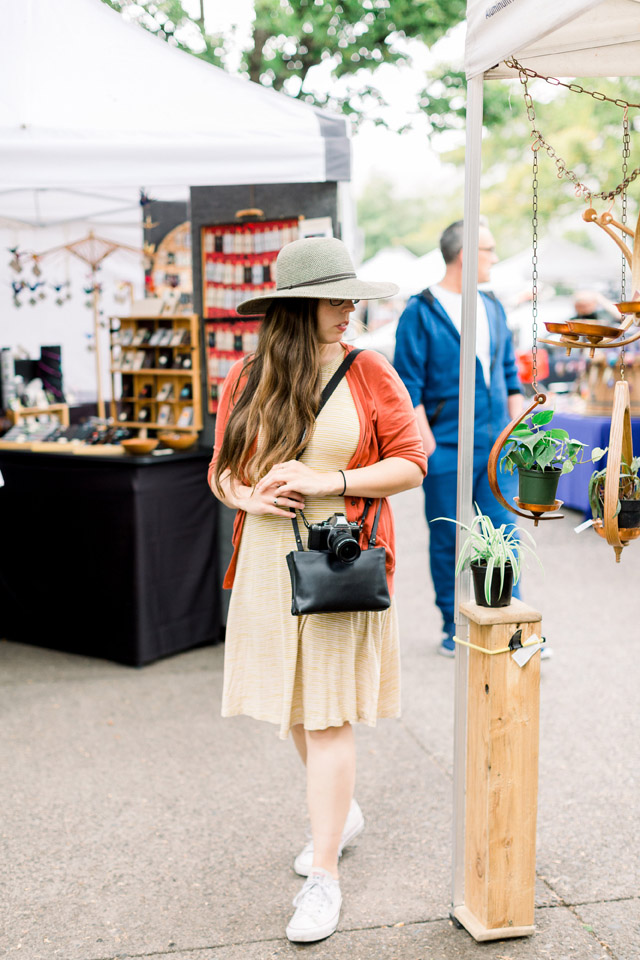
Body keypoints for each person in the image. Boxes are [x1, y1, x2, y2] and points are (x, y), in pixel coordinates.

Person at [208, 237, 427, 944]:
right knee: (296, 711)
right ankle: (345, 813)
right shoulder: (245, 378)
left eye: (352, 297)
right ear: (299, 308)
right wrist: (247, 496)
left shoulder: (369, 370)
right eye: (338, 299)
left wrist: (326, 481)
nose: (350, 309)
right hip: (269, 562)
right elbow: (220, 471)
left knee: (328, 716)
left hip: (339, 562)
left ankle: (324, 877)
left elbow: (412, 462)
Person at [394, 219, 523, 657]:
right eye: (489, 250)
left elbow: (508, 375)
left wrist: (519, 429)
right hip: (445, 448)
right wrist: (426, 443)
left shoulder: (493, 307)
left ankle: (511, 627)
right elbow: (407, 384)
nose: (495, 257)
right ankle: (453, 627)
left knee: (505, 535)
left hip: (495, 447)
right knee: (449, 539)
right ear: (467, 254)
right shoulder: (420, 310)